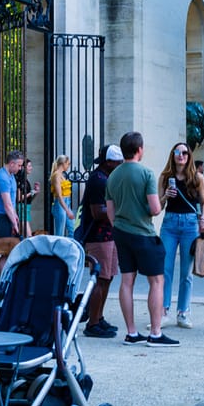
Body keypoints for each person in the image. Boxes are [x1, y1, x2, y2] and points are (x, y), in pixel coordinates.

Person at [106, 131, 178, 347]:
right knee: (156, 281)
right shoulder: (146, 173)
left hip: (121, 231)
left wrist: (120, 225)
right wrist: (164, 197)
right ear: (139, 150)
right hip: (143, 233)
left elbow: (111, 211)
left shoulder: (113, 176)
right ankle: (155, 333)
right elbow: (155, 210)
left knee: (127, 281)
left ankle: (131, 332)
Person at [157, 142, 204, 328]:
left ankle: (183, 312)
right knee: (165, 268)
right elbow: (159, 206)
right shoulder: (165, 177)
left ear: (189, 156)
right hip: (169, 222)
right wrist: (165, 197)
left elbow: (203, 201)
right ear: (173, 154)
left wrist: (203, 219)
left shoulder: (197, 178)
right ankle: (163, 311)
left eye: (185, 153)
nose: (181, 155)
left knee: (186, 271)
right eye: (178, 152)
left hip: (190, 224)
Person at [80, 145, 124, 338]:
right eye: (118, 162)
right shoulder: (98, 181)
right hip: (98, 237)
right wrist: (121, 209)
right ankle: (92, 323)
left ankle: (98, 317)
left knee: (108, 277)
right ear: (109, 162)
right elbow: (97, 212)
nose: (121, 165)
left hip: (108, 235)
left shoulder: (105, 178)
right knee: (100, 279)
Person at [0, 151, 23, 238]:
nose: (20, 168)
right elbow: (7, 204)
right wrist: (14, 224)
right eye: (19, 165)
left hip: (7, 214)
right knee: (6, 246)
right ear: (12, 163)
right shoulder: (3, 178)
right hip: (1, 215)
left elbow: (12, 200)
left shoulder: (11, 175)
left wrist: (15, 215)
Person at [50, 155, 75, 237]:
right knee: (60, 232)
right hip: (60, 205)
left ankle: (68, 248)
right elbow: (59, 196)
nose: (68, 166)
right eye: (68, 163)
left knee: (72, 229)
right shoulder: (56, 175)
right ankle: (57, 249)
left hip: (66, 203)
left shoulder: (61, 175)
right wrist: (67, 210)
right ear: (63, 163)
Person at [16, 159, 40, 237]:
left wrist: (35, 192)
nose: (31, 168)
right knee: (28, 235)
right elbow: (19, 198)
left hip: (26, 208)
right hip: (22, 209)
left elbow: (28, 200)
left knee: (22, 235)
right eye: (29, 166)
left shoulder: (25, 180)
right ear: (23, 168)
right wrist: (31, 192)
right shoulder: (20, 180)